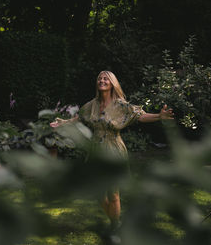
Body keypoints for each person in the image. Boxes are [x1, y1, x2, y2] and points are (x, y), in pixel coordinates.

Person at [50, 70, 174, 234]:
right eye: (100, 78)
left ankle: (115, 226)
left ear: (112, 83)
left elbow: (140, 116)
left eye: (105, 79)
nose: (102, 80)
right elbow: (79, 118)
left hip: (113, 148)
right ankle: (116, 222)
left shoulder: (120, 105)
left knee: (113, 193)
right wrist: (63, 123)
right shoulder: (92, 104)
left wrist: (159, 116)